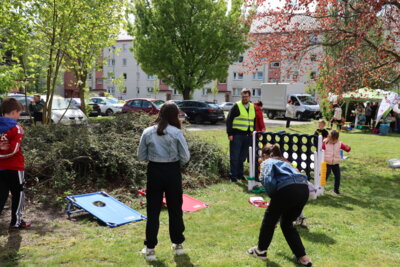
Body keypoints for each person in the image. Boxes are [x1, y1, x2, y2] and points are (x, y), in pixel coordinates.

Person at [137, 102, 190, 261]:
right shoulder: (176, 133)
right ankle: (178, 245)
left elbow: (141, 156)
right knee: (175, 209)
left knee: (153, 211)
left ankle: (150, 249)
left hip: (154, 172)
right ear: (174, 115)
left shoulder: (147, 132)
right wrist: (174, 164)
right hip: (172, 172)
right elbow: (186, 157)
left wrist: (154, 158)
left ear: (160, 113)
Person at [247, 144, 312, 266]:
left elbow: (268, 181)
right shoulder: (286, 162)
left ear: (265, 155)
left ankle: (260, 251)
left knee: (269, 221)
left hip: (287, 189)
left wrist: (275, 198)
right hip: (304, 189)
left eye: (262, 156)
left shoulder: (268, 161)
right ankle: (303, 257)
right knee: (287, 224)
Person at [0, 98, 31, 229]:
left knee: (1, 194)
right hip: (15, 167)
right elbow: (13, 149)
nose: (19, 116)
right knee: (18, 193)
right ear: (13, 112)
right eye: (19, 113)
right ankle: (16, 222)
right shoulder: (17, 128)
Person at [226, 88, 256, 182]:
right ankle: (233, 176)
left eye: (246, 97)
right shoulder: (236, 106)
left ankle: (240, 174)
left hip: (247, 136)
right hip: (236, 135)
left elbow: (253, 120)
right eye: (243, 96)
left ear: (250, 97)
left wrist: (253, 130)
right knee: (235, 156)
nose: (244, 98)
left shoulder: (252, 107)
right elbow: (229, 120)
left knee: (242, 157)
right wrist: (230, 133)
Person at [322, 130, 351, 195]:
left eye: (334, 140)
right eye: (331, 139)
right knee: (325, 176)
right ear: (329, 137)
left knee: (338, 176)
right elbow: (320, 150)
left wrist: (348, 148)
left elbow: (346, 149)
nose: (332, 141)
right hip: (327, 163)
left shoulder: (339, 143)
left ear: (336, 139)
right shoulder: (325, 143)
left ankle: (336, 190)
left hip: (335, 163)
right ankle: (321, 189)